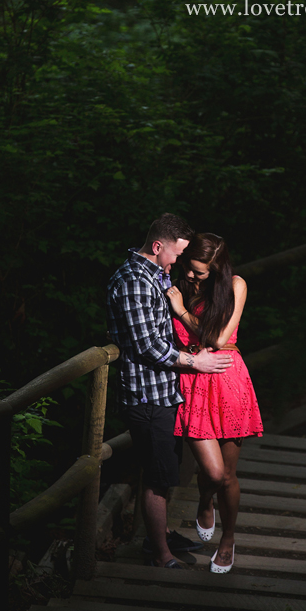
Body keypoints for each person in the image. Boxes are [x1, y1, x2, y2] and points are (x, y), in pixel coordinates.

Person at [106, 214, 234, 569]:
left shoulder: (156, 275)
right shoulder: (135, 281)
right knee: (158, 479)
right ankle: (160, 554)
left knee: (162, 471)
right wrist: (196, 363)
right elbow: (147, 345)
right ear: (158, 246)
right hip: (147, 395)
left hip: (164, 392)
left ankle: (158, 537)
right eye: (177, 254)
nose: (179, 263)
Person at [166, 233, 263, 574]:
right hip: (193, 383)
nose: (191, 276)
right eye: (189, 269)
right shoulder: (175, 283)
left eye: (200, 273)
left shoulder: (236, 285)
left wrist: (180, 311)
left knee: (229, 476)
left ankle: (228, 539)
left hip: (228, 378)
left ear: (217, 269)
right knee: (213, 472)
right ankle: (204, 500)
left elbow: (219, 338)